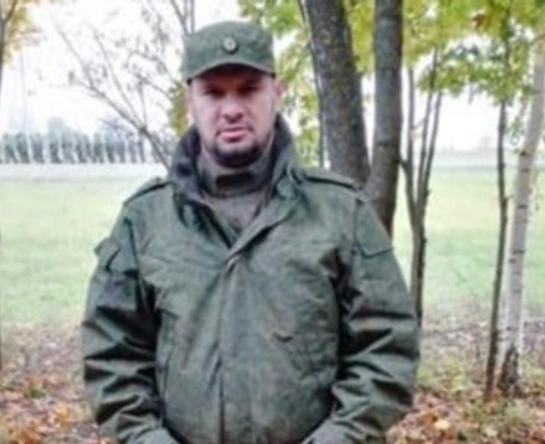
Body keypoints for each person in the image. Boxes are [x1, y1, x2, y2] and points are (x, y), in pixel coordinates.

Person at [81, 20, 419, 444]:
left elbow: (386, 348)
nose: (232, 109)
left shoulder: (339, 211)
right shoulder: (146, 220)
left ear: (277, 93)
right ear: (190, 102)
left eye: (248, 89)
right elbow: (112, 354)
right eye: (213, 92)